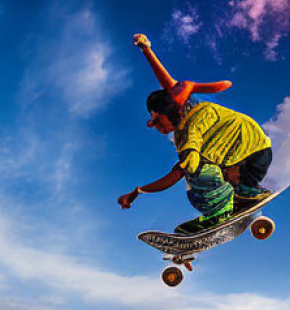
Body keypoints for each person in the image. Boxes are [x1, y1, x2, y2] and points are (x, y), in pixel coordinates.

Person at [117, 34, 273, 234]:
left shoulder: (193, 120)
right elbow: (176, 172)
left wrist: (146, 49)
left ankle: (220, 212)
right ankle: (246, 192)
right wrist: (139, 191)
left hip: (253, 155)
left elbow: (166, 81)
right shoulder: (181, 134)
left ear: (168, 112)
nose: (157, 128)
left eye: (157, 121)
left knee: (196, 171)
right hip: (248, 159)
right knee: (195, 167)